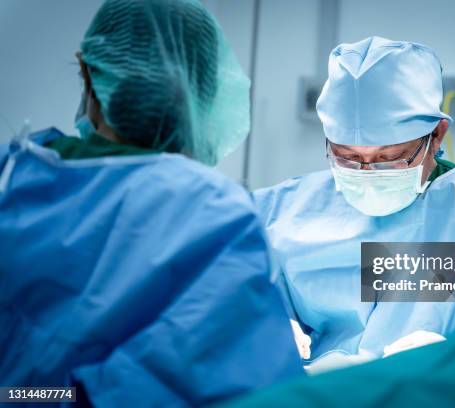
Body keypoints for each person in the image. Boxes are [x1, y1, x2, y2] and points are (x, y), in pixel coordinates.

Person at [0, 0, 303, 405]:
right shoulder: (212, 212)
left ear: (89, 76)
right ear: (207, 91)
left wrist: (24, 397)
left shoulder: (12, 176)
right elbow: (252, 391)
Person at [254, 37, 455, 363]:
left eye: (390, 157)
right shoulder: (275, 214)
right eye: (347, 157)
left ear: (437, 135)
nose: (367, 172)